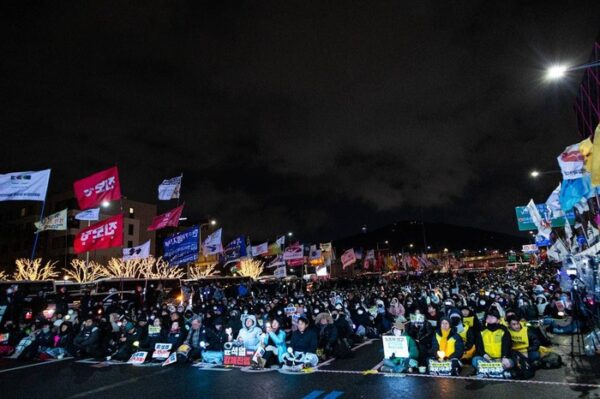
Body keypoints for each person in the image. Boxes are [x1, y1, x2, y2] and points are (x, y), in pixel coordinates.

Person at [472, 309, 514, 375]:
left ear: (498, 320)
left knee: (510, 362)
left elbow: (507, 346)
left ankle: (488, 370)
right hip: (487, 359)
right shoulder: (482, 332)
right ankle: (496, 370)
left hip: (501, 359)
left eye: (492, 317)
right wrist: (486, 357)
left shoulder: (503, 331)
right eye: (488, 317)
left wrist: (504, 357)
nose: (490, 318)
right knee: (475, 360)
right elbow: (479, 346)